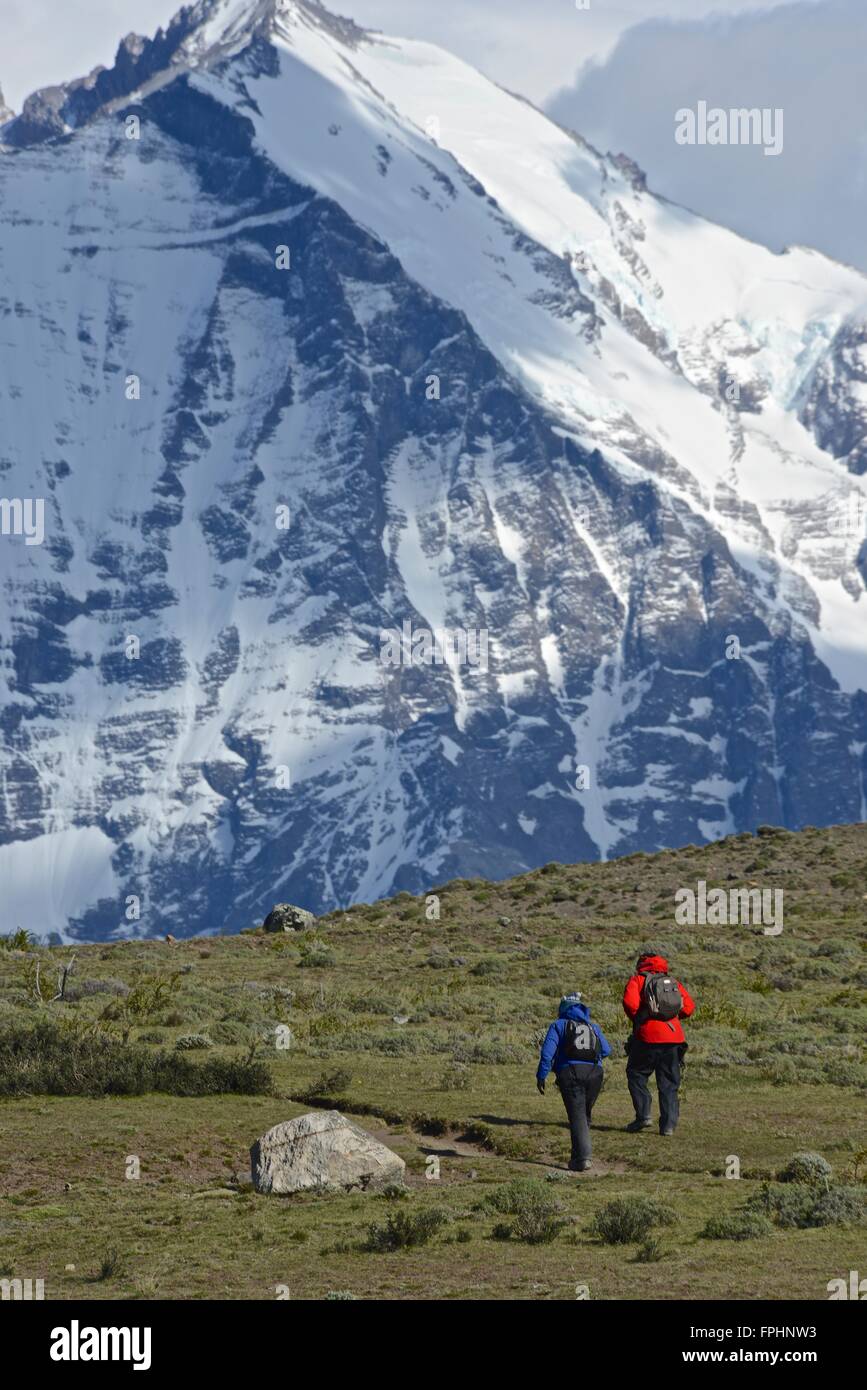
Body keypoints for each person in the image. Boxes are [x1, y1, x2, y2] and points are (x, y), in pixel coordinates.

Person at [536, 991, 611, 1171]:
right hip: (595, 1073)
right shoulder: (593, 1026)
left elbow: (547, 1053)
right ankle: (577, 1156)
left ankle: (583, 1158)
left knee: (577, 1115)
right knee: (584, 1114)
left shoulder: (559, 1025)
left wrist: (541, 1075)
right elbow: (607, 1050)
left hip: (570, 1072)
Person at [622, 951, 695, 1136]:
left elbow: (630, 1004)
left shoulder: (638, 980)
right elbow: (688, 1007)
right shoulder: (672, 982)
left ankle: (644, 1114)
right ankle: (668, 1126)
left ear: (642, 963)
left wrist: (640, 1019)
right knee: (669, 1083)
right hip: (674, 1038)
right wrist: (671, 1017)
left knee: (637, 1074)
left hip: (647, 1036)